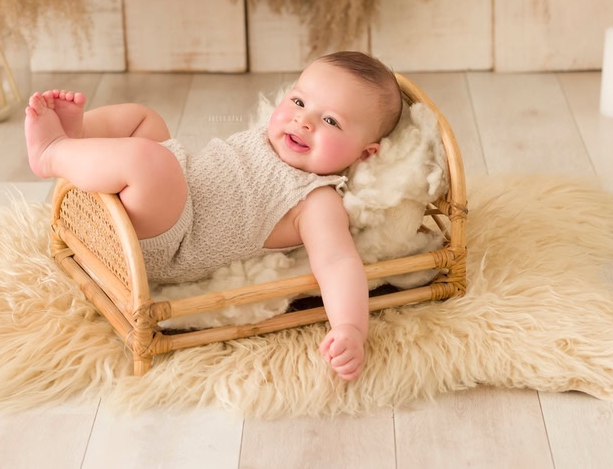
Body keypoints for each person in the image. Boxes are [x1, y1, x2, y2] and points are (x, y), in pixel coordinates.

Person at [24, 51, 403, 382]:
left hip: (171, 240)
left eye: (332, 122)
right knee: (144, 121)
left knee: (150, 160)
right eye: (299, 102)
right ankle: (80, 140)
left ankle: (53, 153)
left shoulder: (316, 200)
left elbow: (338, 263)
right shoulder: (272, 139)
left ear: (366, 154)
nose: (304, 122)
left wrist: (350, 327)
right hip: (173, 188)